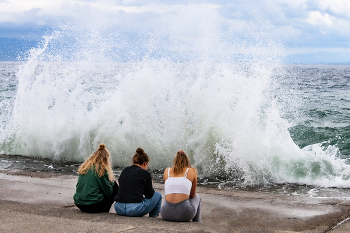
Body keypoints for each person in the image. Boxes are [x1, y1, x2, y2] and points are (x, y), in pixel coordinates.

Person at [114, 148, 162, 217]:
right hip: (134, 210)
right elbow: (149, 195)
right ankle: (153, 218)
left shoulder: (125, 170)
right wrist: (150, 184)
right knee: (158, 195)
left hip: (118, 208)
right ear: (145, 163)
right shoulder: (146, 173)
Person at [73, 143, 118, 213]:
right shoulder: (101, 169)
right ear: (105, 159)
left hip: (79, 204)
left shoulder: (85, 167)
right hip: (93, 206)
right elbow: (108, 192)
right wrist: (111, 182)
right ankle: (106, 209)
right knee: (114, 185)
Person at [160, 150, 202, 222]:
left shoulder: (167, 171)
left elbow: (169, 190)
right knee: (197, 196)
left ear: (175, 160)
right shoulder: (192, 171)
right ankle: (197, 223)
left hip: (165, 213)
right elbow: (192, 195)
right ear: (187, 161)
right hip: (185, 214)